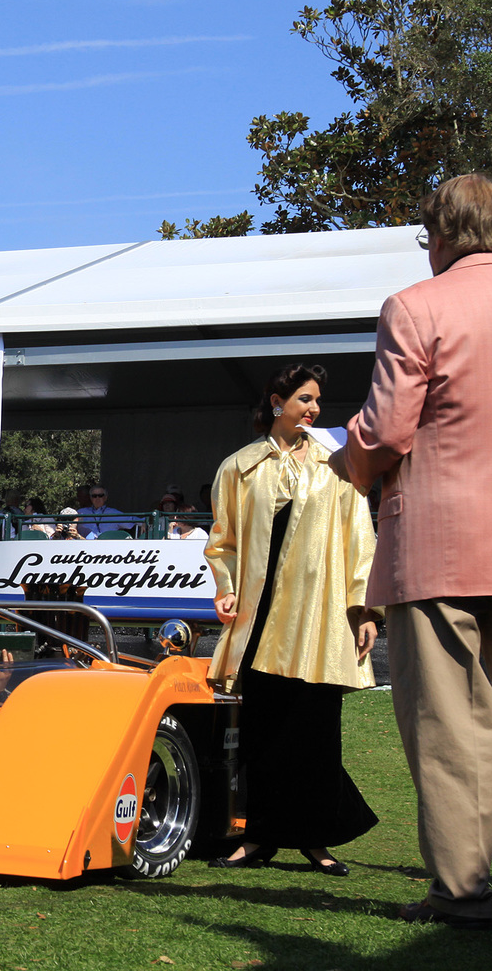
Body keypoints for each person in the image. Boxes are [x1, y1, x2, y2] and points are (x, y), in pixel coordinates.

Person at [331, 173, 492, 928]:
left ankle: (462, 889)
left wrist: (349, 458)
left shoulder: (416, 305)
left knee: (451, 723)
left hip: (439, 541)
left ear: (437, 235)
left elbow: (385, 432)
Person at [205, 362, 379, 877]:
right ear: (277, 402)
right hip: (261, 621)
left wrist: (362, 608)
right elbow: (223, 540)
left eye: (317, 400)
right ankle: (257, 836)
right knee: (263, 727)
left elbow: (358, 537)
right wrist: (227, 587)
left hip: (320, 619)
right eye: (305, 398)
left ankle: (315, 838)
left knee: (316, 726)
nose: (314, 409)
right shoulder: (239, 467)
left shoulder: (337, 464)